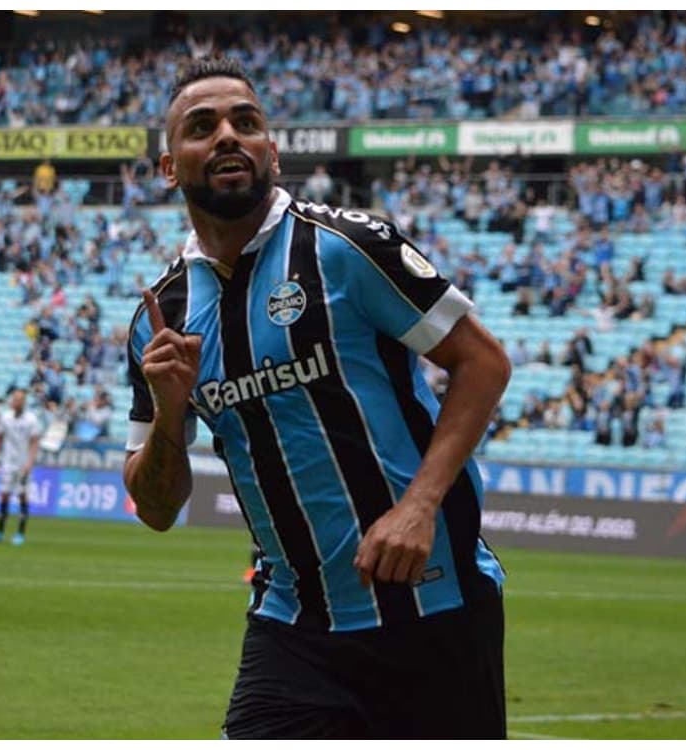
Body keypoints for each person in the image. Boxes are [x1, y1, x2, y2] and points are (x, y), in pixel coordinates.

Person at [122, 58, 510, 739]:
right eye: (202, 126)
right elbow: (155, 507)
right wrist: (170, 412)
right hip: (292, 625)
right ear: (167, 167)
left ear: (271, 149)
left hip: (434, 607)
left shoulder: (347, 249)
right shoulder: (162, 317)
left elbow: (482, 363)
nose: (227, 137)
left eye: (246, 122)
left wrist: (417, 508)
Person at [0, 387, 41, 546]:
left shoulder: (31, 419)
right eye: (14, 399)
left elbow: (35, 442)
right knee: (4, 495)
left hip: (23, 465)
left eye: (19, 399)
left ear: (24, 402)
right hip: (8, 463)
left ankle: (20, 533)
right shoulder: (6, 417)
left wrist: (30, 462)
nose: (16, 402)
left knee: (23, 496)